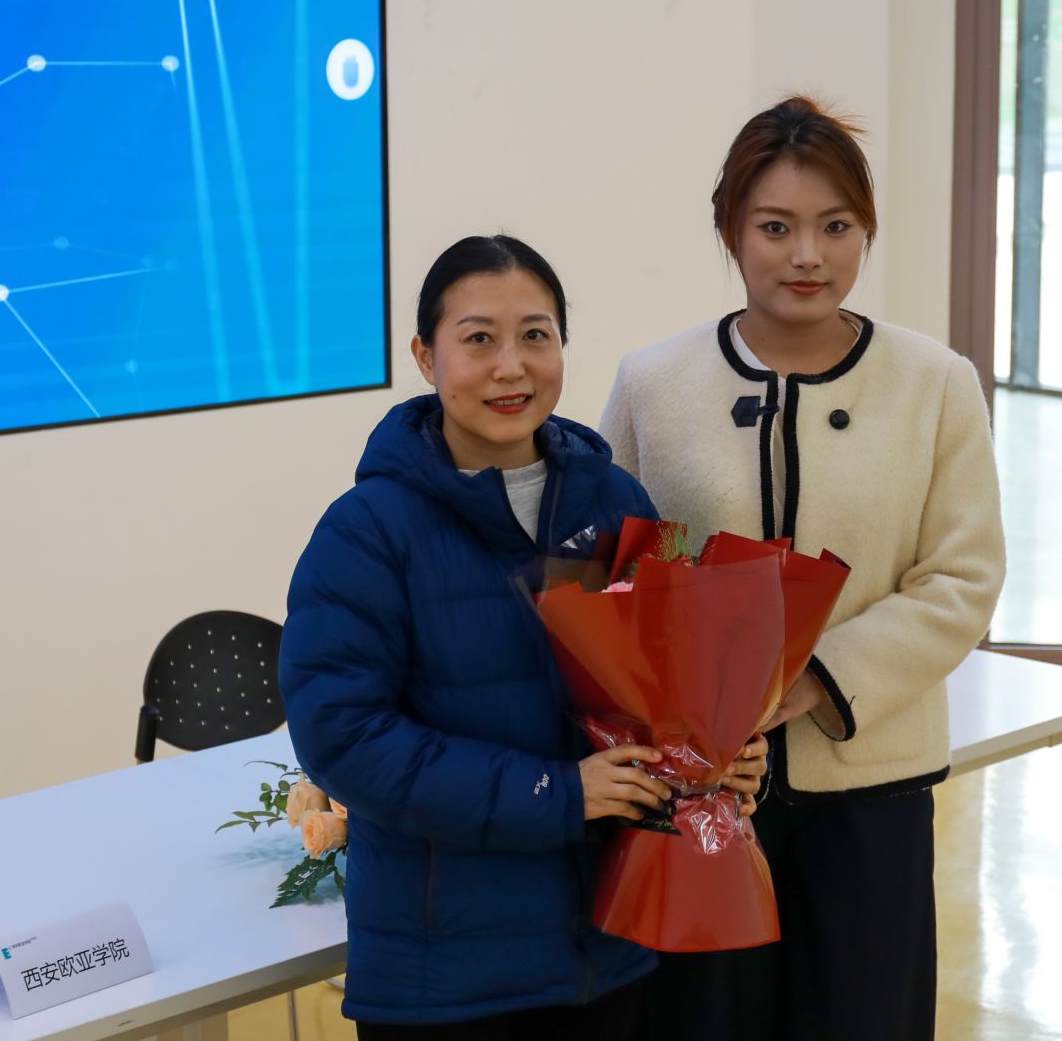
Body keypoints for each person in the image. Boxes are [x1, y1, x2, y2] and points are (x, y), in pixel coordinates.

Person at [280, 234, 766, 1038]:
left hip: (607, 949)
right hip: (445, 978)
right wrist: (557, 792)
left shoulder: (617, 502)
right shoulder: (366, 531)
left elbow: (667, 689)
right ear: (425, 356)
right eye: (478, 338)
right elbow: (344, 737)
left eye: (535, 334)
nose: (511, 366)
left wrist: (722, 755)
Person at [601, 97, 1006, 1040]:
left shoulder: (936, 383)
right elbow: (612, 572)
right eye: (775, 227)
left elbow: (963, 578)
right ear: (731, 233)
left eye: (836, 226)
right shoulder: (653, 382)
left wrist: (816, 675)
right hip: (697, 796)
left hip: (870, 792)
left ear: (867, 230)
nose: (807, 255)